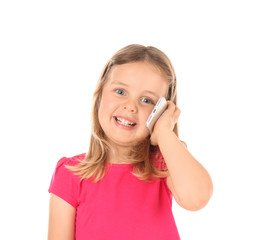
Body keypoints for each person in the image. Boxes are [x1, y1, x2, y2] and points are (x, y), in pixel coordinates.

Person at [47, 44, 213, 240]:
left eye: (147, 100)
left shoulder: (163, 164)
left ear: (160, 112)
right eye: (120, 91)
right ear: (99, 95)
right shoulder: (71, 173)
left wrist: (164, 131)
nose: (130, 106)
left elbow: (197, 198)